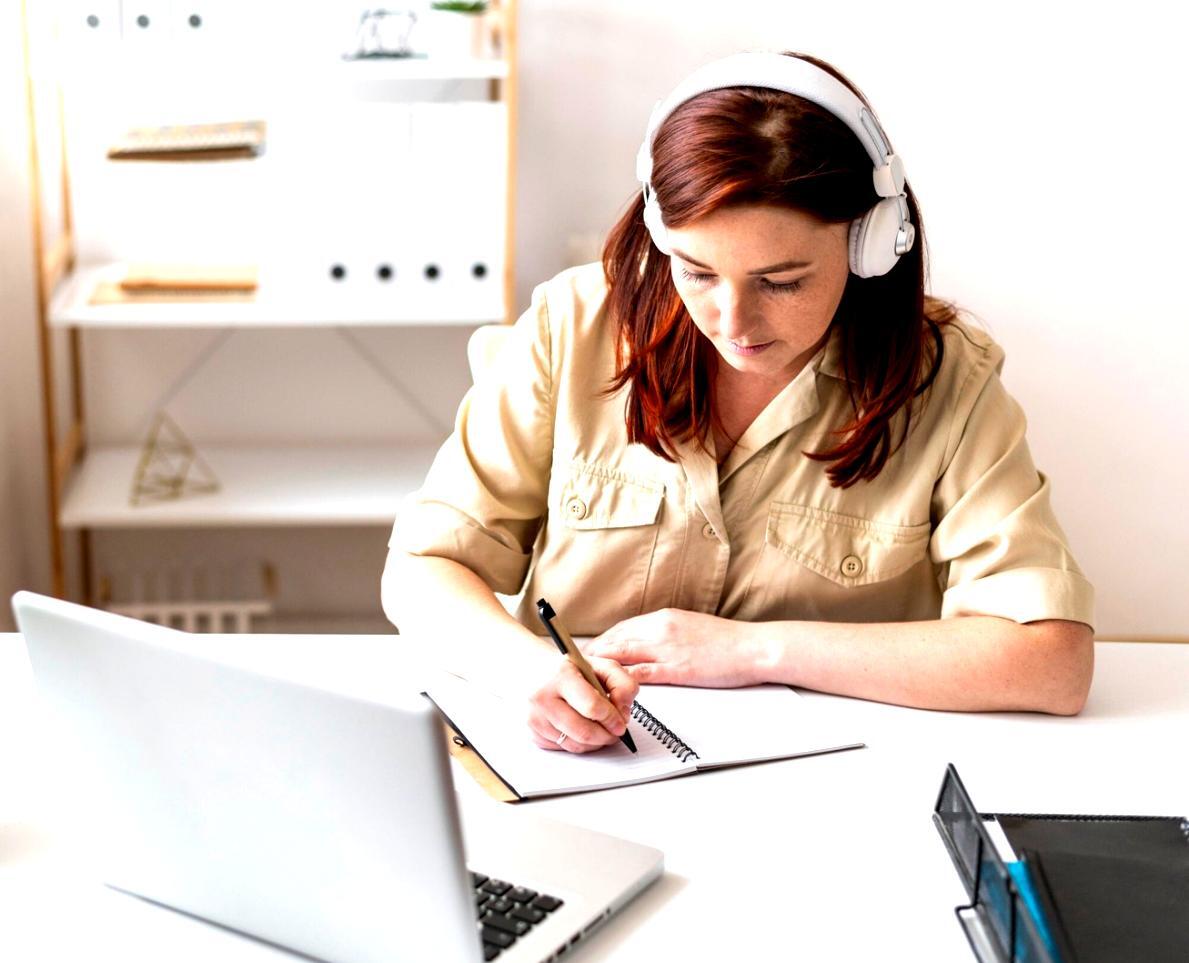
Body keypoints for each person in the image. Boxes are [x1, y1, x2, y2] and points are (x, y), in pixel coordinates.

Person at [382, 51, 1095, 754]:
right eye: (696, 271)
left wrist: (755, 651)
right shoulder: (571, 326)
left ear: (869, 246)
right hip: (586, 772)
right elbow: (422, 569)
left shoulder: (946, 378)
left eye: (781, 281)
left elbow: (1051, 663)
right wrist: (525, 671)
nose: (732, 322)